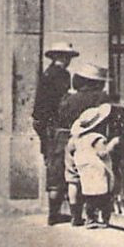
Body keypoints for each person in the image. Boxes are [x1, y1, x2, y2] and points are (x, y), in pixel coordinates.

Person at [55, 62, 116, 227]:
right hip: (93, 143)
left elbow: (61, 116)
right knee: (94, 180)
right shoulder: (101, 98)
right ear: (96, 82)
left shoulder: (69, 99)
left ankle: (75, 216)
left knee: (73, 180)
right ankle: (93, 216)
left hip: (73, 140)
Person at [33, 41, 78, 224]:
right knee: (58, 166)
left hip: (44, 124)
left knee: (52, 163)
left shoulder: (47, 74)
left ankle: (55, 212)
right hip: (55, 126)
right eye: (65, 57)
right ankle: (54, 214)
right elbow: (60, 102)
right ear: (60, 57)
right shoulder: (61, 75)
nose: (67, 61)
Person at [67, 104, 120, 229]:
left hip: (84, 169)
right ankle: (103, 218)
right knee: (103, 194)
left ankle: (90, 218)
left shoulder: (79, 139)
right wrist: (113, 143)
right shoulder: (97, 138)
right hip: (96, 169)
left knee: (89, 195)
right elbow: (102, 152)